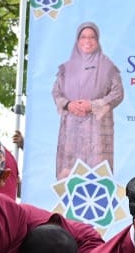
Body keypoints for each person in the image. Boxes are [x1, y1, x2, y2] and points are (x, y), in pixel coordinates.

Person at [52, 22, 126, 176]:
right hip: (71, 128)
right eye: (83, 37)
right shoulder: (66, 68)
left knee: (96, 175)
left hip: (97, 129)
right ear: (77, 41)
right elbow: (57, 92)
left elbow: (118, 93)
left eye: (92, 37)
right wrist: (68, 105)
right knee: (69, 175)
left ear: (97, 40)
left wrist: (92, 105)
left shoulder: (108, 66)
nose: (88, 41)